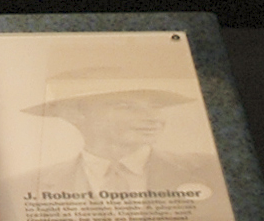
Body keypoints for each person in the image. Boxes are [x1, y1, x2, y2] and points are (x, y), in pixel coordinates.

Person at [21, 68, 221, 196]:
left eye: (156, 106)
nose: (152, 118)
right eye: (126, 107)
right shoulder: (28, 185)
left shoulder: (210, 170)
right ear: (76, 114)